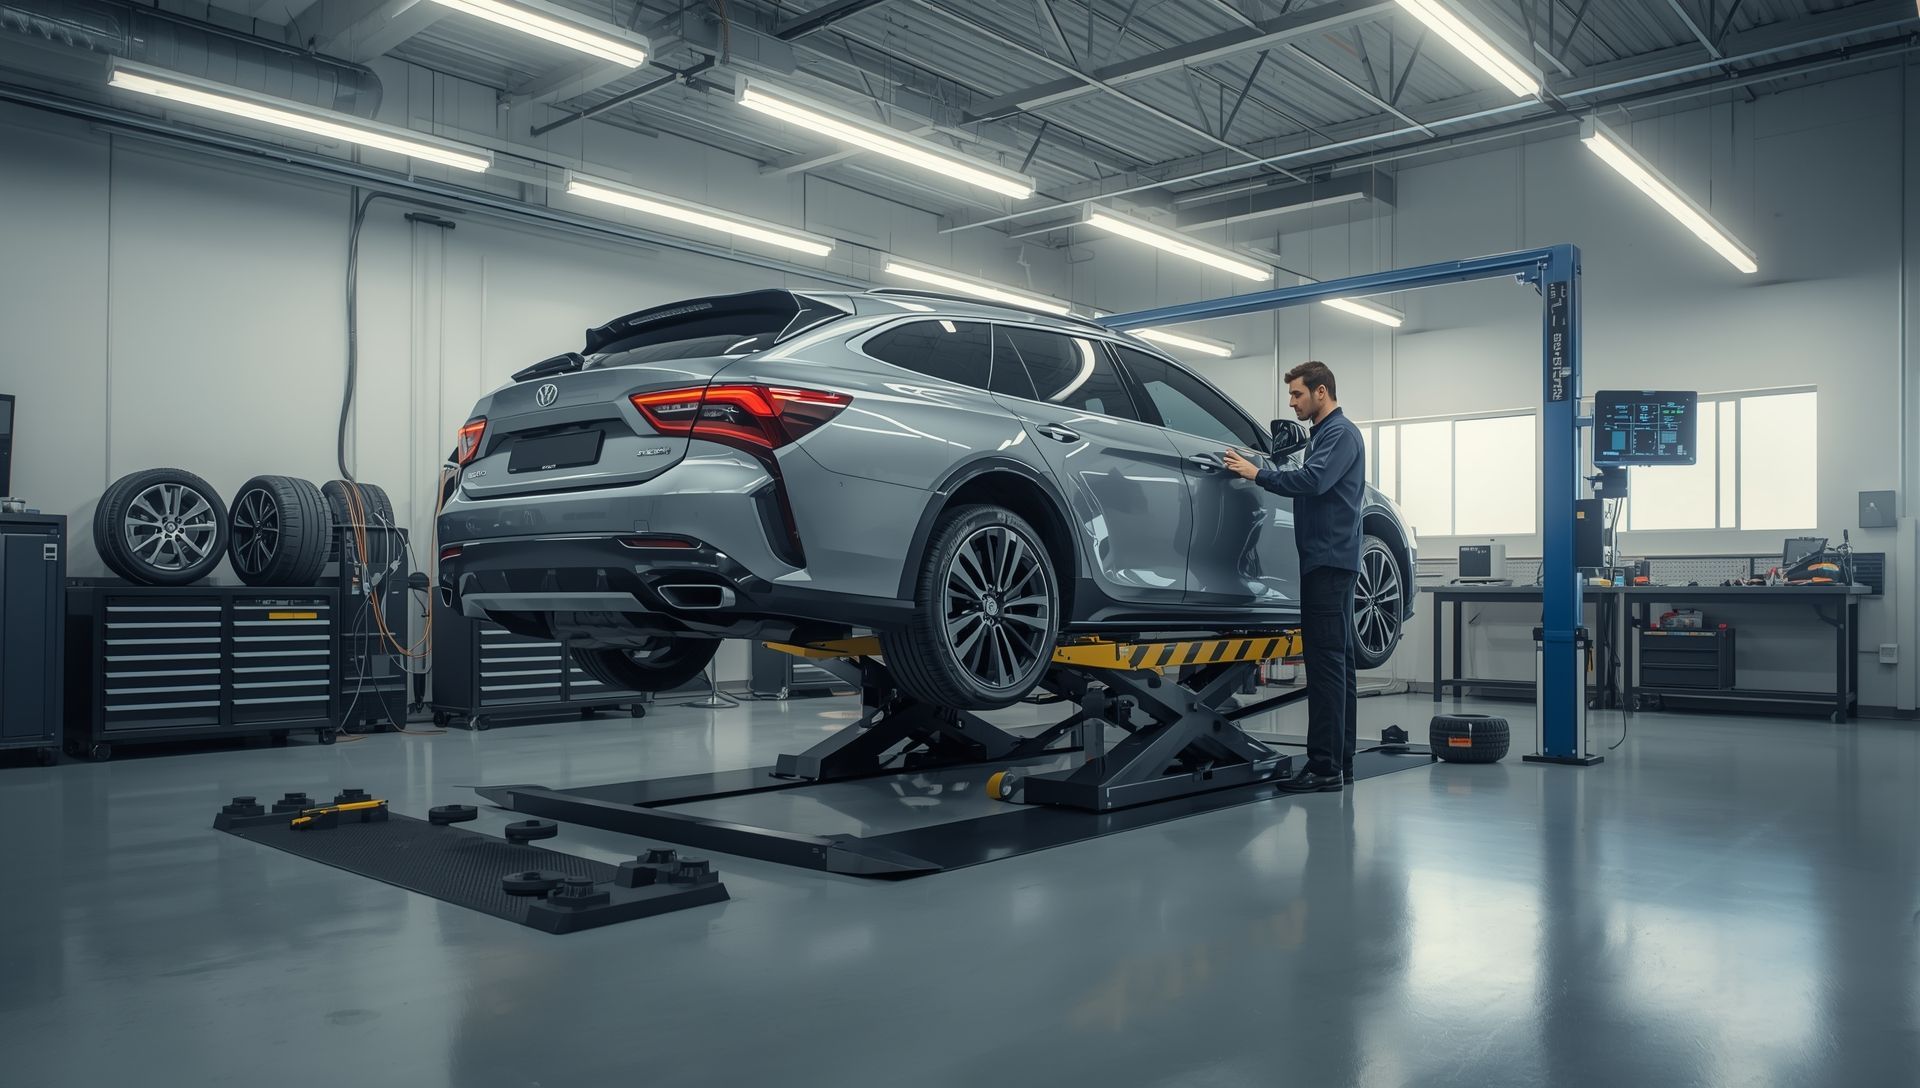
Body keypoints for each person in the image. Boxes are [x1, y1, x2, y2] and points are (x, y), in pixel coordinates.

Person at [1222, 361, 1365, 793]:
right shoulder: (1326, 435)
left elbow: (1314, 480)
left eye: (1297, 394)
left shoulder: (1338, 434)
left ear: (1322, 392)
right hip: (1331, 559)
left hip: (1327, 561)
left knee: (1324, 668)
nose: (1292, 402)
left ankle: (1323, 768)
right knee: (1340, 666)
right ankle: (1341, 763)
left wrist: (1257, 473)